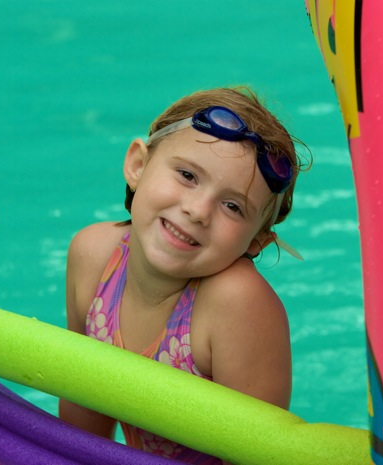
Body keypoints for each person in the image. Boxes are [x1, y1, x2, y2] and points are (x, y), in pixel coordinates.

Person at [59, 86, 306, 464]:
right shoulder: (93, 256)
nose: (198, 211)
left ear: (256, 241)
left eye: (232, 206)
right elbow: (81, 425)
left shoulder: (236, 304)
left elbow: (258, 457)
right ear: (138, 165)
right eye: (188, 175)